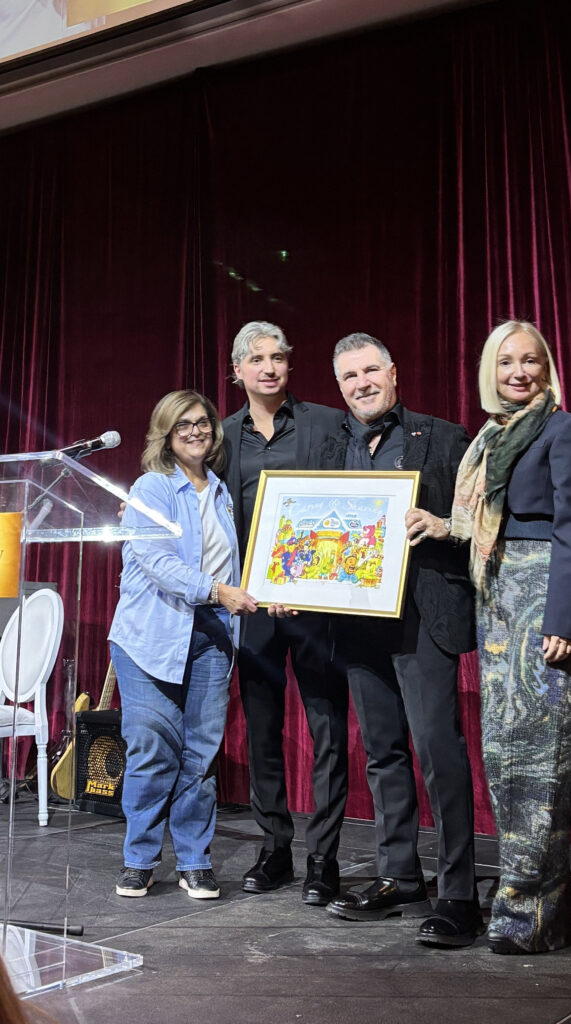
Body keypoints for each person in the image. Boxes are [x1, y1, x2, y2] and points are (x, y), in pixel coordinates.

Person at [412, 320, 571, 954]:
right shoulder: (490, 436)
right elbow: (481, 521)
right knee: (506, 755)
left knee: (542, 758)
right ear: (490, 372)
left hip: (541, 600)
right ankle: (532, 910)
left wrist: (563, 621)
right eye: (506, 362)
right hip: (496, 602)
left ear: (547, 368)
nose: (519, 372)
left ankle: (529, 915)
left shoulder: (565, 429)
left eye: (530, 361)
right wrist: (442, 525)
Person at [317, 332, 483, 948]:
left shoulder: (445, 437)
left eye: (370, 371)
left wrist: (443, 525)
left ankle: (459, 893)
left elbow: (482, 522)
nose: (361, 384)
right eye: (349, 377)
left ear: (393, 373)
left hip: (423, 617)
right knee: (383, 752)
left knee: (439, 750)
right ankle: (399, 877)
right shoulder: (331, 449)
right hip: (357, 620)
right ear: (339, 387)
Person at [109, 390, 257, 899]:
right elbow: (158, 563)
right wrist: (218, 592)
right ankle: (140, 859)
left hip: (212, 636)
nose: (196, 431)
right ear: (167, 435)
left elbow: (233, 563)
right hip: (149, 639)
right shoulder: (151, 488)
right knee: (151, 751)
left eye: (203, 422)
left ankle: (195, 860)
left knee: (200, 756)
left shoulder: (221, 492)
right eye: (183, 425)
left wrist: (267, 594)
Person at [222, 321, 349, 905]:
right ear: (238, 370)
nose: (269, 368)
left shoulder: (327, 422)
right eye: (257, 359)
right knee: (262, 731)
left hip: (318, 604)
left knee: (327, 729)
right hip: (253, 605)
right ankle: (275, 847)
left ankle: (324, 857)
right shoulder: (223, 437)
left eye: (277, 357)